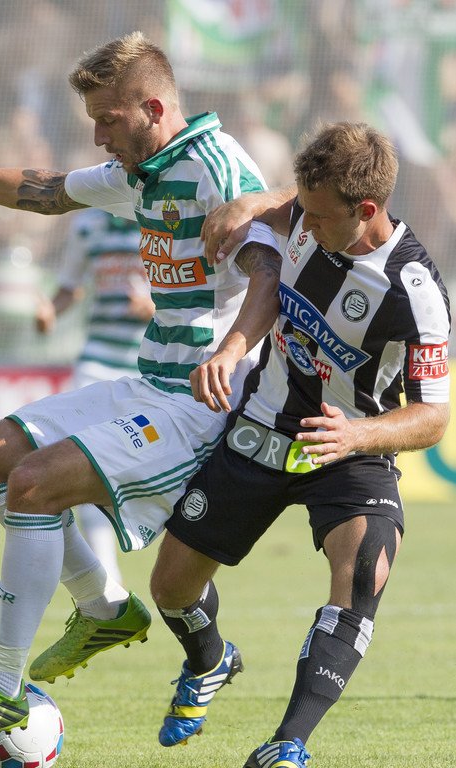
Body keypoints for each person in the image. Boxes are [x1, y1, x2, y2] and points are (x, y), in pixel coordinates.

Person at [0, 31, 282, 753]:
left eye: (107, 120)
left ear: (152, 107)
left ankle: (1, 685)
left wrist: (231, 349)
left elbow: (269, 275)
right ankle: (103, 605)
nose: (97, 137)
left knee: (33, 483)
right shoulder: (142, 172)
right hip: (147, 383)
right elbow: (45, 191)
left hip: (201, 405)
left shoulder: (218, 168)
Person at [149, 122, 451, 767]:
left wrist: (358, 434)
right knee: (170, 589)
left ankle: (288, 744)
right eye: (300, 210)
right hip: (262, 427)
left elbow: (433, 418)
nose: (302, 226)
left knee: (365, 573)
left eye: (316, 216)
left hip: (350, 447)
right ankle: (210, 660)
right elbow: (275, 258)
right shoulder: (307, 216)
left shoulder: (416, 294)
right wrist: (233, 345)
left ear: (365, 209)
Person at [35, 208, 153, 582]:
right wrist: (50, 311)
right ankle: (106, 574)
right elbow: (70, 287)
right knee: (81, 461)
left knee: (151, 468)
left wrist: (156, 308)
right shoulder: (87, 225)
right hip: (97, 363)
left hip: (151, 366)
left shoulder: (163, 217)